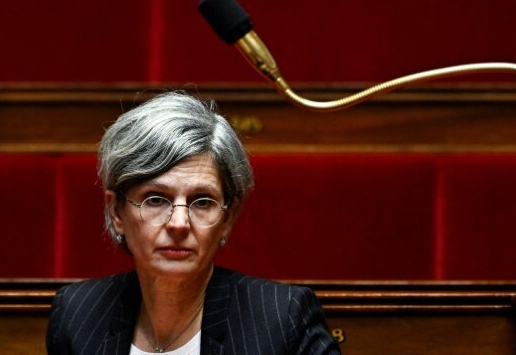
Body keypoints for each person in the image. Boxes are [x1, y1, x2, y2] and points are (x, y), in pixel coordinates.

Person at [46, 91, 340, 355]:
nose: (179, 223)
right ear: (117, 213)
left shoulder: (282, 317)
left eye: (202, 202)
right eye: (156, 199)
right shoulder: (77, 315)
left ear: (227, 218)